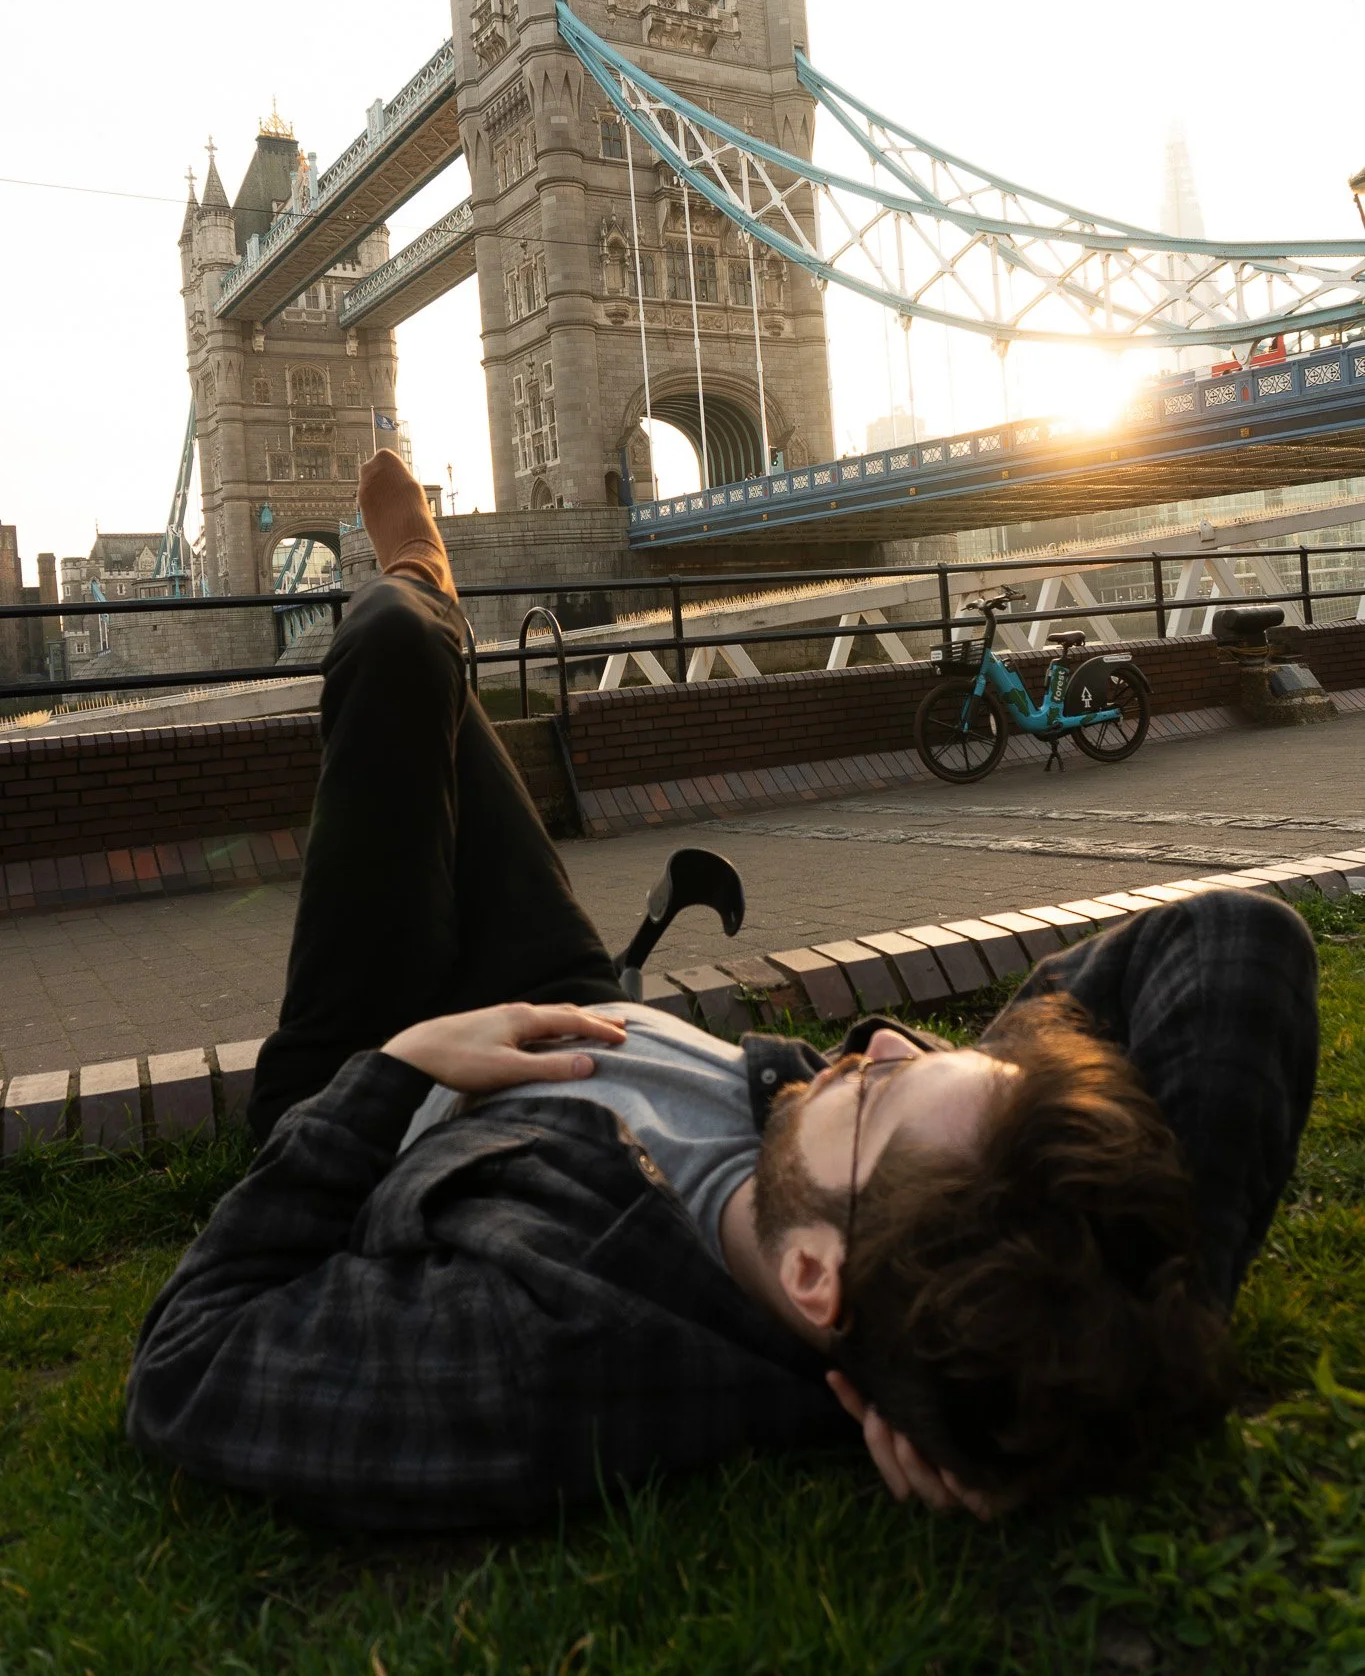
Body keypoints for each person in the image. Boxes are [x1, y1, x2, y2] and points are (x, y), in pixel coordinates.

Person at [124, 454, 1319, 1531]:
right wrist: (1126, 1346)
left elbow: (186, 1361)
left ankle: (421, 585)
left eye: (874, 1089)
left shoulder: (548, 1355)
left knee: (391, 644)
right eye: (936, 1052)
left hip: (406, 1067)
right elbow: (1236, 941)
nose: (887, 1036)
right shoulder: (944, 1210)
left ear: (814, 1278)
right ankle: (424, 596)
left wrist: (399, 1070)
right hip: (577, 999)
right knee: (417, 676)